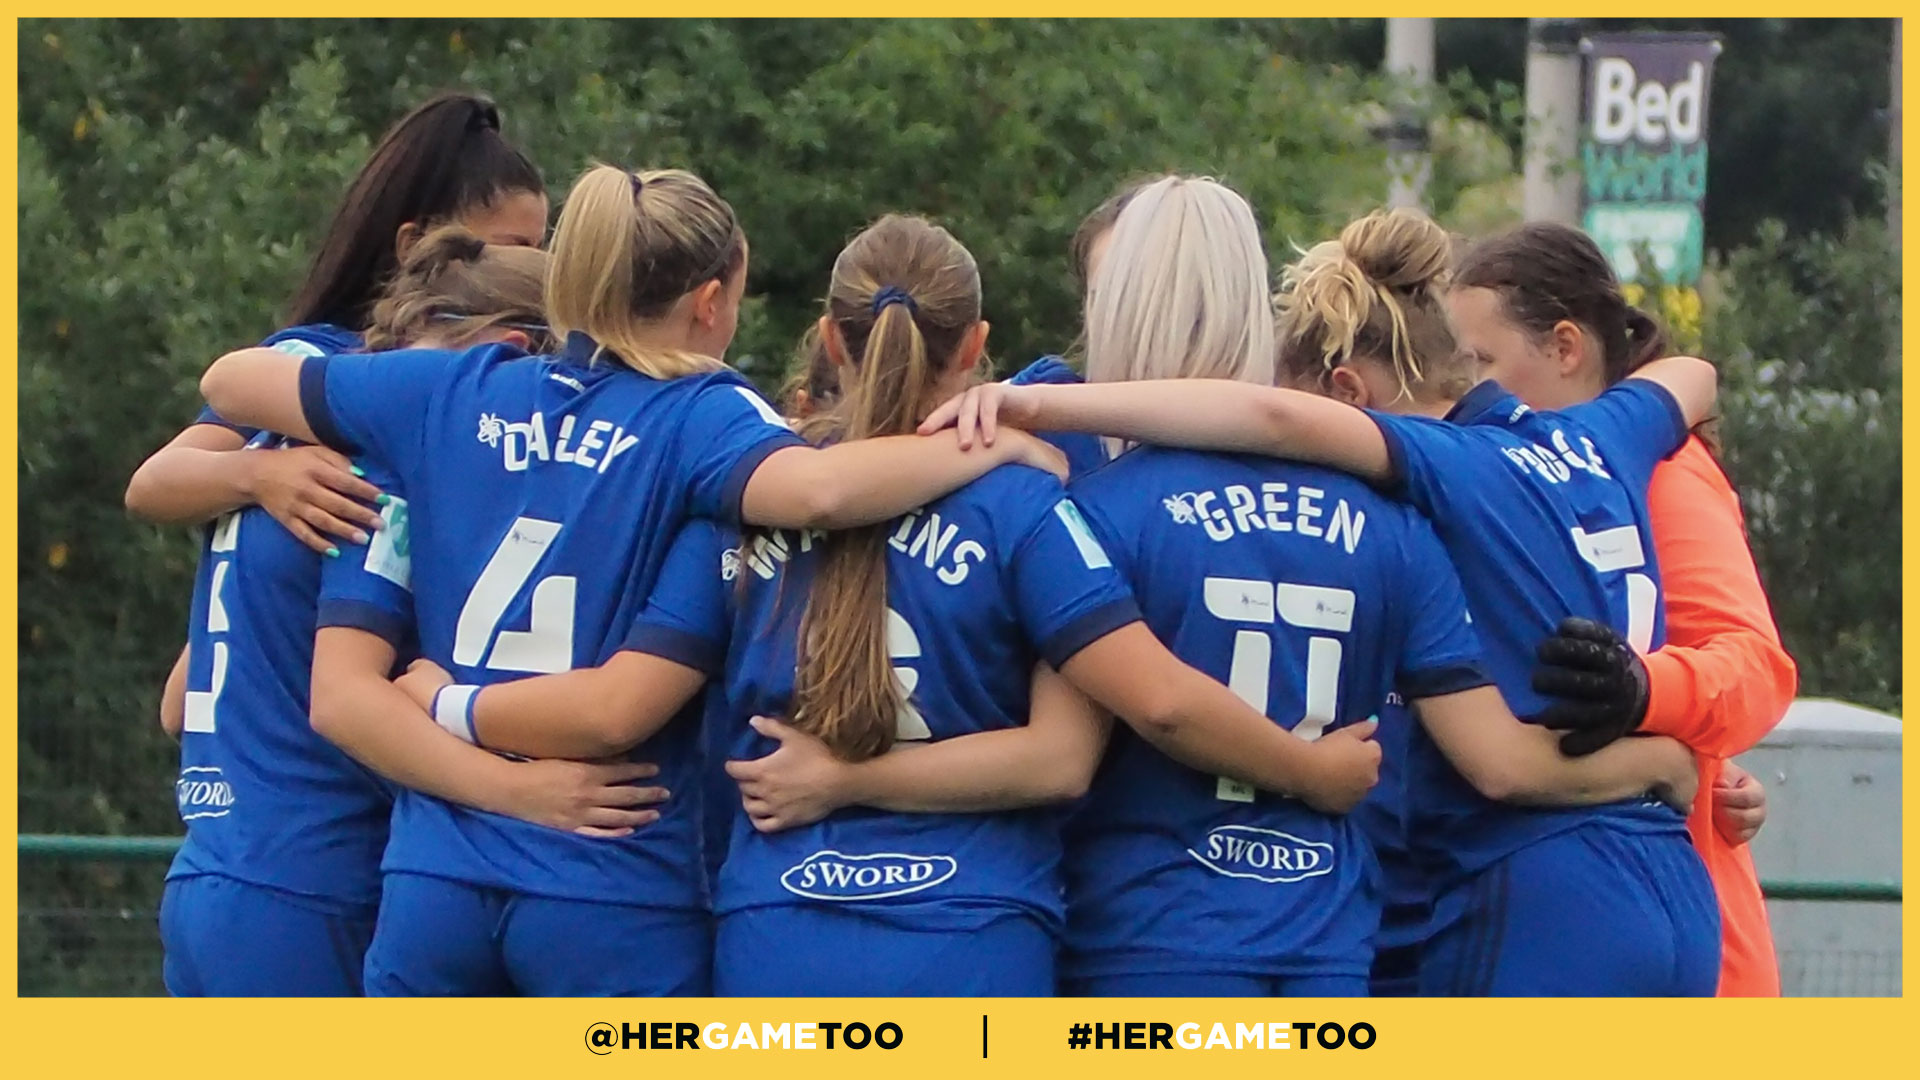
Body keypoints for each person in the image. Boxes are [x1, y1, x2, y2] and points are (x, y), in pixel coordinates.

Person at [380, 211, 1385, 997]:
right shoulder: (1030, 499)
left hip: (777, 930)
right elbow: (1067, 753)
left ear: (828, 338)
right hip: (971, 938)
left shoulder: (743, 491)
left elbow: (625, 700)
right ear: (977, 344)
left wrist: (444, 700)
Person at [193, 167, 1074, 997]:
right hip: (608, 879)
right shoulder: (703, 414)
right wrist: (985, 439)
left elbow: (230, 379)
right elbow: (823, 491)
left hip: (437, 882)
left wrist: (257, 471)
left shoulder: (448, 385)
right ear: (711, 300)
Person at [922, 206, 1722, 996]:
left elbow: (1497, 765)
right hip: (1650, 892)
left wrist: (1036, 402)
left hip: (1502, 895)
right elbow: (1693, 375)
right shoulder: (1590, 439)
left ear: (1340, 393)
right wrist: (1666, 759)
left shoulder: (1439, 467)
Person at [157, 226, 650, 997]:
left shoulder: (284, 456)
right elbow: (344, 701)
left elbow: (176, 703)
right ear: (516, 349)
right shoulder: (377, 475)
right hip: (312, 885)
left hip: (213, 870)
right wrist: (517, 788)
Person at [1450, 220, 1795, 996]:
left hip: (1671, 937)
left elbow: (1754, 666)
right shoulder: (1498, 482)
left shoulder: (1661, 476)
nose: (1464, 388)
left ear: (1566, 348)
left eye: (1481, 361)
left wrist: (1642, 690)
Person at [126, 90, 548, 556]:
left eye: (540, 250)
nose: (537, 271)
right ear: (415, 247)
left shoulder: (505, 379)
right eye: (512, 249)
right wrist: (260, 475)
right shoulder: (313, 361)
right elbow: (152, 484)